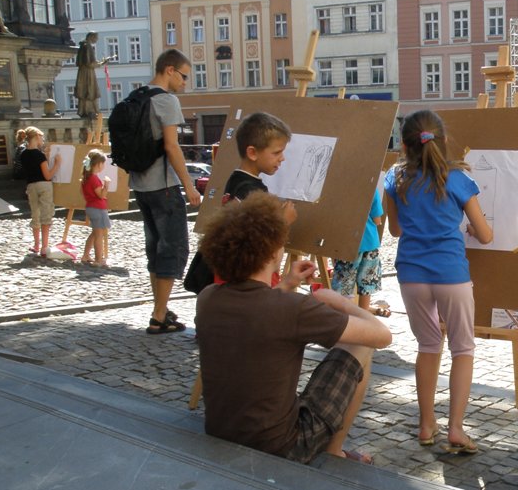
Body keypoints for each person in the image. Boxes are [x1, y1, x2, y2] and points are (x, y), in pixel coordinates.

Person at [195, 193, 391, 465]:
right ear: (275, 251)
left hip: (221, 430)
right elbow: (382, 335)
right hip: (283, 446)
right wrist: (339, 302)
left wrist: (286, 283)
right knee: (360, 344)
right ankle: (334, 450)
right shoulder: (291, 308)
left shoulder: (208, 298)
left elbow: (256, 311)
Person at [384, 110, 493, 454]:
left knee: (428, 346)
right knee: (463, 348)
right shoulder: (458, 179)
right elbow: (487, 236)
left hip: (411, 274)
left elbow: (396, 230)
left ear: (404, 144)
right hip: (451, 274)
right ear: (444, 141)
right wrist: (470, 229)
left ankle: (426, 424)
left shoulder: (395, 178)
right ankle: (457, 429)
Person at [129, 49, 202, 334]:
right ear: (169, 70)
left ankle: (160, 307)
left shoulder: (137, 97)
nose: (185, 83)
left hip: (141, 185)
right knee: (173, 249)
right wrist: (189, 185)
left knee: (155, 250)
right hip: (164, 186)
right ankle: (159, 316)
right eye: (183, 76)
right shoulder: (166, 100)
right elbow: (172, 147)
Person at [184, 112, 296, 294]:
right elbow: (254, 243)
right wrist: (283, 222)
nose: (282, 158)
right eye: (276, 152)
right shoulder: (251, 192)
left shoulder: (236, 179)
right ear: (252, 152)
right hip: (246, 283)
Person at [332, 189, 389, 317]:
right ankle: (364, 316)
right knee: (366, 283)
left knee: (344, 284)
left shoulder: (338, 188)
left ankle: (346, 317)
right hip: (370, 242)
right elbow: (377, 220)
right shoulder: (372, 188)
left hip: (346, 242)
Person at [19, 127, 60, 258]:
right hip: (44, 186)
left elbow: (32, 169)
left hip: (31, 186)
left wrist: (46, 158)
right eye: (41, 137)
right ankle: (44, 246)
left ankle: (36, 245)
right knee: (46, 215)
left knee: (35, 214)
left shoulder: (23, 154)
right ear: (36, 136)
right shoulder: (39, 155)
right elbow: (47, 175)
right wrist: (57, 165)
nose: (43, 140)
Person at [79, 149, 111, 267]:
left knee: (95, 233)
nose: (103, 166)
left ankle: (86, 255)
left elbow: (84, 193)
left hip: (91, 207)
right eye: (103, 163)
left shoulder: (86, 178)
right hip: (98, 208)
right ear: (97, 164)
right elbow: (101, 195)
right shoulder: (94, 178)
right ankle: (98, 259)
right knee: (99, 235)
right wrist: (106, 185)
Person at [75, 32, 108, 119]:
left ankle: (85, 110)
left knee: (86, 91)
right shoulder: (87, 46)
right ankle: (89, 110)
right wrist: (102, 63)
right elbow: (89, 63)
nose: (96, 40)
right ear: (91, 37)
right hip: (88, 73)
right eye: (96, 38)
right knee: (90, 90)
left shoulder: (83, 46)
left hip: (83, 72)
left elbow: (80, 62)